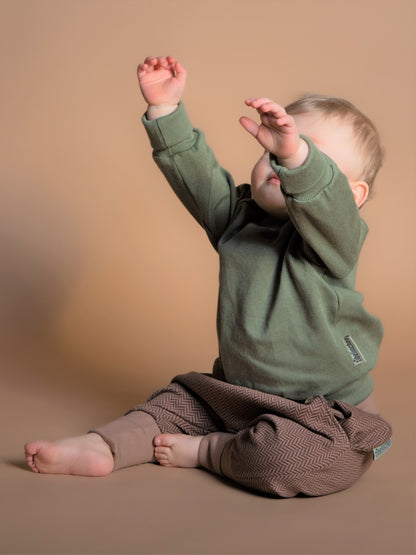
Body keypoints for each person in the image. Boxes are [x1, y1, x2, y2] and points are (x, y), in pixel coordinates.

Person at [24, 56, 392, 497]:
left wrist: (296, 155)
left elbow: (324, 203)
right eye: (270, 151)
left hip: (323, 411)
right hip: (235, 394)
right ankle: (104, 446)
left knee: (295, 458)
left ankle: (211, 452)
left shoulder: (336, 240)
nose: (279, 162)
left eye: (301, 155)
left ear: (352, 195)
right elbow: (198, 178)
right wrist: (165, 112)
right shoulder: (238, 222)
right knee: (169, 406)